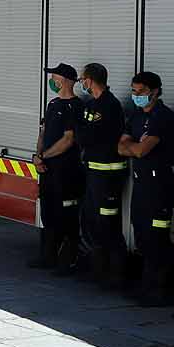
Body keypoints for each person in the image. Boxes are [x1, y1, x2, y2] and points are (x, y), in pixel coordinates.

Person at [118, 71, 174, 303]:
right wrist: (136, 145)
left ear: (154, 91)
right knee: (142, 234)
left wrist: (134, 146)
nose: (136, 95)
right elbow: (121, 148)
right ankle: (146, 286)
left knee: (157, 238)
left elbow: (142, 150)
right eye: (133, 91)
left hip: (159, 185)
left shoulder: (162, 117)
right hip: (141, 183)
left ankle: (159, 291)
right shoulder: (135, 116)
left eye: (140, 91)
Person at [72, 62, 127, 284]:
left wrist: (77, 126)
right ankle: (98, 271)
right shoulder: (93, 104)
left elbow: (88, 137)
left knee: (108, 226)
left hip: (108, 175)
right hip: (94, 172)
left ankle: (116, 275)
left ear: (90, 80)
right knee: (93, 222)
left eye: (82, 79)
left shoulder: (108, 105)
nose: (82, 83)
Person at [30, 63, 85, 272]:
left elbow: (68, 140)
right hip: (47, 170)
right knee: (48, 211)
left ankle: (67, 259)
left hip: (66, 171)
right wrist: (37, 157)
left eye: (55, 77)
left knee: (67, 215)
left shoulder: (76, 106)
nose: (52, 80)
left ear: (65, 80)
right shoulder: (52, 104)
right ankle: (47, 256)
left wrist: (44, 156)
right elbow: (43, 133)